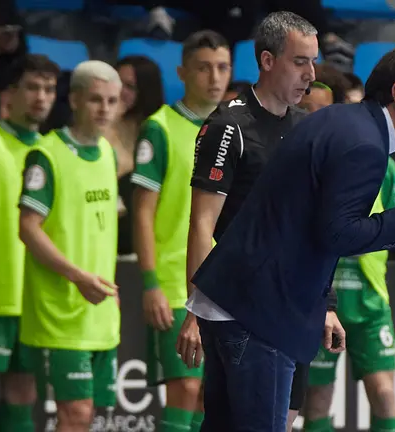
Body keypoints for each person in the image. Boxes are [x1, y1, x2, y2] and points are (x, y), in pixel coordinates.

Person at [188, 42, 395, 430]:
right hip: (259, 310)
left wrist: (323, 305)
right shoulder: (364, 144)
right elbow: (338, 233)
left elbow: (309, 224)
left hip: (237, 301)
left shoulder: (341, 122)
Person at [175, 12, 319, 432]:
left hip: (290, 308)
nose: (310, 74)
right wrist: (195, 312)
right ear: (267, 61)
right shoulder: (228, 126)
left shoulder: (305, 128)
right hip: (243, 311)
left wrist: (324, 306)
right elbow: (202, 224)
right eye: (300, 62)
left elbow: (307, 229)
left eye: (313, 62)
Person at [131, 29, 231, 432]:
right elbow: (141, 213)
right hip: (176, 284)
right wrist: (151, 282)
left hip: (225, 286)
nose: (214, 77)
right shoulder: (159, 128)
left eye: (222, 67)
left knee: (211, 394)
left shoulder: (233, 127)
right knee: (185, 390)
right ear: (182, 72)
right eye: (204, 68)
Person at [17, 60, 121, 431]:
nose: (105, 109)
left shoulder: (108, 153)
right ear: (74, 100)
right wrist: (77, 276)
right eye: (96, 99)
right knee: (73, 415)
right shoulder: (47, 155)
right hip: (59, 313)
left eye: (112, 100)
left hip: (100, 311)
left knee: (87, 416)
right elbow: (28, 229)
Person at [300, 85, 395, 432]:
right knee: (317, 399)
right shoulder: (309, 162)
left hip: (369, 297)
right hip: (319, 295)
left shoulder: (386, 167)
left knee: (384, 392)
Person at [0, 53, 58, 432]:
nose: (41, 97)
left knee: (22, 393)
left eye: (48, 89)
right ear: (7, 94)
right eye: (32, 87)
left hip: (32, 298)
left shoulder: (51, 151)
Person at [107, 55, 164, 256]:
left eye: (129, 86)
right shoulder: (99, 129)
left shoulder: (156, 131)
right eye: (116, 82)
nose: (119, 91)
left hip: (149, 242)